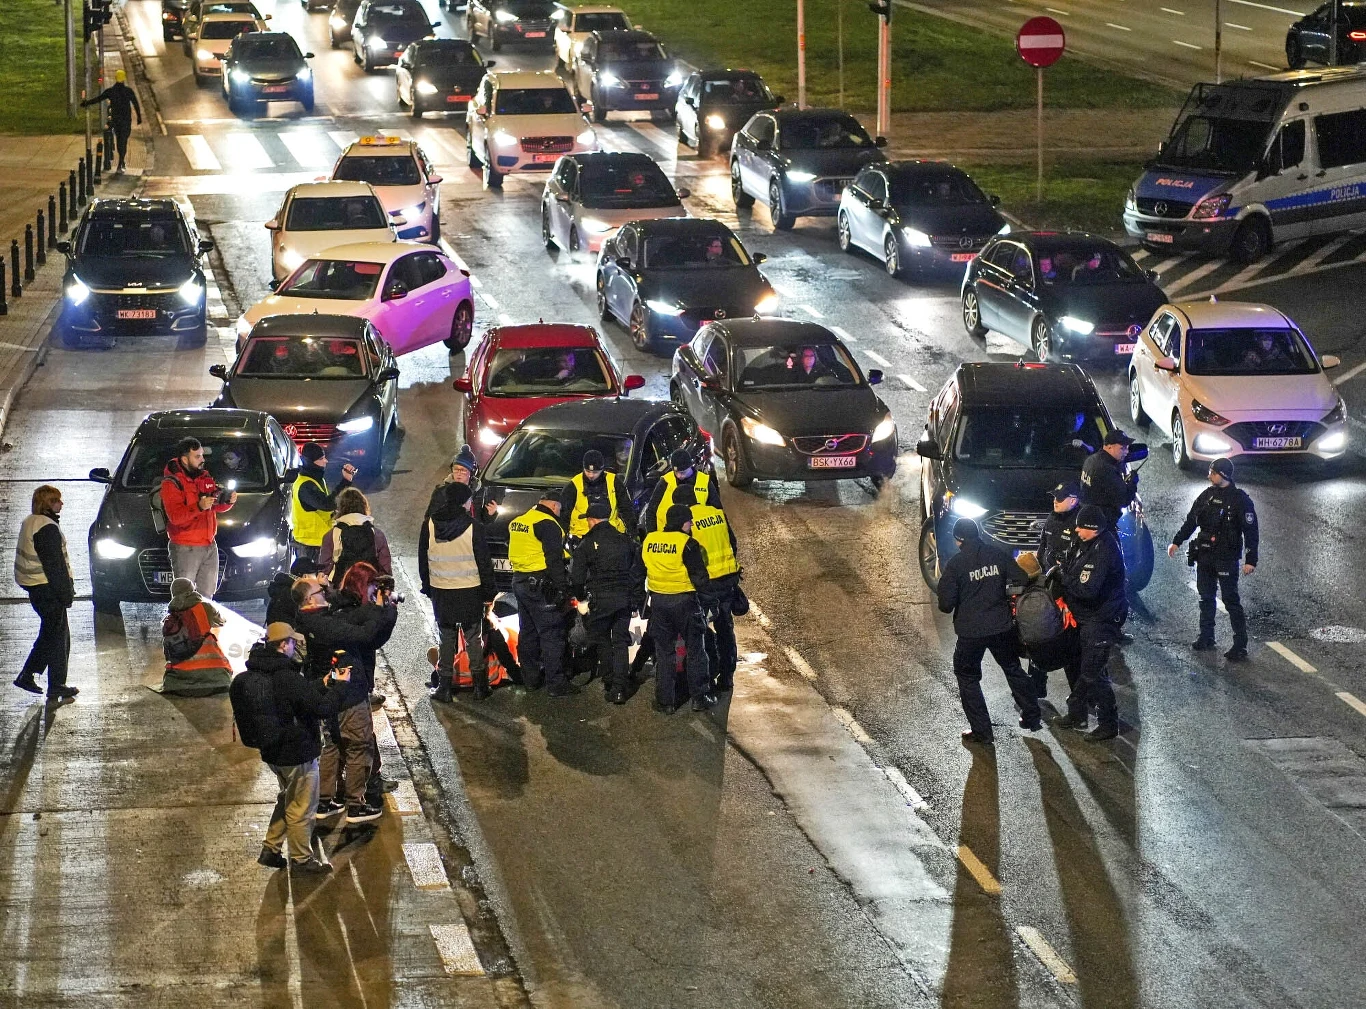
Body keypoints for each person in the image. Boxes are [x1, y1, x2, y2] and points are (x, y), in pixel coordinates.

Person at [237, 622, 351, 874]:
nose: (295, 646)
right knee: (302, 807)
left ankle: (271, 848)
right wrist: (342, 686)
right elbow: (322, 708)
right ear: (283, 645)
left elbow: (297, 698)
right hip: (297, 752)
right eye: (292, 642)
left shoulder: (261, 670)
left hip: (274, 752)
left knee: (288, 798)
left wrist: (322, 684)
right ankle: (301, 860)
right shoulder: (286, 676)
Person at [291, 575, 395, 825]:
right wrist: (382, 610)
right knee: (358, 745)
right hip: (348, 694)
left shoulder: (314, 619)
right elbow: (364, 634)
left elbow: (352, 618)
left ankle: (325, 800)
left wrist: (378, 606)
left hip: (331, 692)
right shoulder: (322, 625)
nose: (324, 591)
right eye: (319, 590)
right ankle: (356, 805)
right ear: (309, 600)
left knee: (333, 745)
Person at [936, 518, 1040, 744]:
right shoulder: (996, 554)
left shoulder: (956, 564)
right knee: (1012, 668)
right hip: (1001, 626)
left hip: (971, 632)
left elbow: (945, 605)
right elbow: (1021, 578)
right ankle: (1032, 716)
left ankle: (982, 732)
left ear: (958, 540)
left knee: (967, 677)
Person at [1168, 457, 1259, 661]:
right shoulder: (1207, 496)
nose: (1209, 476)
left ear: (1223, 475)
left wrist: (1251, 559)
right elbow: (1191, 521)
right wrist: (1177, 541)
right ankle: (1206, 636)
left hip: (1226, 557)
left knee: (1230, 600)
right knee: (1206, 597)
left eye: (1213, 473)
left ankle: (1240, 644)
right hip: (1205, 555)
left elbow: (1251, 531)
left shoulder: (1240, 500)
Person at [420, 482, 496, 702]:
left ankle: (444, 687)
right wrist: (489, 593)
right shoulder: (473, 526)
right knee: (473, 638)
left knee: (446, 638)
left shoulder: (430, 525)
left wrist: (428, 586)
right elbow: (484, 563)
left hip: (442, 590)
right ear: (465, 502)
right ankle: (480, 686)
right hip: (470, 590)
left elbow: (423, 559)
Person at [1056, 505, 1126, 741]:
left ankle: (1108, 723)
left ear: (1094, 529)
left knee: (1093, 672)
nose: (1076, 530)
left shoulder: (1104, 549)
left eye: (1081, 527)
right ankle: (1078, 715)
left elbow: (1087, 589)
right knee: (1073, 664)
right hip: (1082, 616)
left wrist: (1065, 579)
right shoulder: (1083, 542)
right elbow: (1070, 566)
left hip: (1101, 618)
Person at [570, 500, 645, 704]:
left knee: (602, 640)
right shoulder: (624, 540)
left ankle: (610, 680)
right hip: (623, 598)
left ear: (592, 520)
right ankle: (620, 688)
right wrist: (635, 596)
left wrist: (581, 599)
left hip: (600, 600)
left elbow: (577, 578)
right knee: (620, 641)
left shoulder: (587, 544)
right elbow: (637, 569)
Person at [641, 505, 714, 712]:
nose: (691, 525)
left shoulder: (650, 540)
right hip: (685, 602)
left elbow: (639, 570)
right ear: (683, 522)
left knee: (664, 653)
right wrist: (710, 602)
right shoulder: (687, 543)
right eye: (690, 521)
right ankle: (699, 697)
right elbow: (700, 577)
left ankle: (665, 702)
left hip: (659, 602)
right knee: (696, 650)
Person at [508, 489, 575, 696]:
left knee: (528, 632)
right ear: (554, 505)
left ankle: (530, 679)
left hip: (519, 581)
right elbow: (553, 560)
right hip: (540, 584)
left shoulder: (520, 520)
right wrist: (563, 588)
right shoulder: (548, 524)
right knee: (552, 633)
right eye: (559, 509)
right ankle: (556, 684)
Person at [12, 485, 77, 701]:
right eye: (57, 500)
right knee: (53, 636)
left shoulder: (30, 521)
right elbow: (55, 567)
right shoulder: (46, 528)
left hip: (36, 588)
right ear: (48, 504)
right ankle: (29, 673)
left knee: (58, 635)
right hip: (47, 590)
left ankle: (56, 684)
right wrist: (66, 595)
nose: (61, 504)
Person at [675, 485, 742, 693]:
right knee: (725, 629)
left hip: (705, 584)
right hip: (727, 580)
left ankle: (707, 678)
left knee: (699, 631)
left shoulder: (688, 521)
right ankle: (727, 677)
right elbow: (732, 542)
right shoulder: (717, 513)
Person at [161, 437, 236, 600]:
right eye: (197, 456)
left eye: (202, 455)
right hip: (185, 548)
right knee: (184, 598)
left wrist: (227, 502)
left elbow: (213, 506)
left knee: (207, 597)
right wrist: (199, 507)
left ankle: (204, 618)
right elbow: (176, 517)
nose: (202, 459)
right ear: (184, 459)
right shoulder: (171, 483)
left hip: (209, 544)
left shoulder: (203, 476)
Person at [158, 577, 232, 696]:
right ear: (192, 590)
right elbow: (221, 621)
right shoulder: (205, 607)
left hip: (177, 684)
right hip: (215, 682)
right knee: (211, 637)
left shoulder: (170, 618)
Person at [291, 443, 355, 572]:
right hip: (309, 546)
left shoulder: (316, 480)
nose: (326, 461)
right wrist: (345, 482)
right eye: (321, 459)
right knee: (314, 581)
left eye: (324, 457)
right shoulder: (305, 486)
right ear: (311, 462)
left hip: (318, 542)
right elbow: (327, 504)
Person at [318, 487, 392, 585]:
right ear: (364, 506)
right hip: (369, 586)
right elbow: (385, 567)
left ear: (340, 508)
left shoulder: (331, 535)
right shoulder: (377, 534)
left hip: (341, 587)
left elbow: (325, 568)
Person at [560, 449, 636, 542]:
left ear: (602, 469)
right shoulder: (574, 485)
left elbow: (626, 509)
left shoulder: (614, 481)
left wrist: (632, 534)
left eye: (595, 472)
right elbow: (563, 515)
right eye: (588, 471)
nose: (591, 475)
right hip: (582, 537)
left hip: (612, 535)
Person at [642, 448, 723, 533]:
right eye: (676, 472)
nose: (679, 475)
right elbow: (651, 511)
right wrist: (652, 535)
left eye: (683, 472)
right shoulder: (665, 481)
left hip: (698, 537)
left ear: (690, 466)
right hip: (668, 538)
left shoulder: (704, 481)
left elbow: (718, 511)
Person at [80, 70, 142, 173]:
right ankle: (121, 161)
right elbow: (135, 104)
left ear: (116, 78)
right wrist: (139, 117)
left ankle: (121, 162)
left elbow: (98, 99)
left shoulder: (111, 91)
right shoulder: (128, 91)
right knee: (124, 141)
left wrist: (86, 103)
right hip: (126, 120)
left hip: (116, 120)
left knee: (119, 140)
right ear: (124, 78)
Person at [1079, 430, 1137, 530]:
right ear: (1109, 447)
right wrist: (1133, 482)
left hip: (1086, 516)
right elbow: (1124, 500)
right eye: (1122, 448)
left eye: (1127, 448)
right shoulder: (1107, 469)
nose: (1126, 452)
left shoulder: (1091, 460)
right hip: (1101, 524)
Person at [1038, 481, 1080, 572]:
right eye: (1055, 497)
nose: (1055, 501)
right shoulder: (1052, 517)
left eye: (1060, 498)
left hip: (1068, 574)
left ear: (1073, 501)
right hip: (1048, 572)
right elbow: (1043, 543)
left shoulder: (1080, 522)